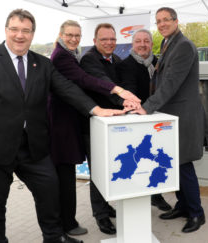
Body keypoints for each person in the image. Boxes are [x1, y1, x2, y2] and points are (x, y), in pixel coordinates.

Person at [0, 9, 125, 243]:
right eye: (15, 29)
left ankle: (54, 237)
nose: (20, 35)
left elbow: (67, 89)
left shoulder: (42, 63)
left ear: (32, 34)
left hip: (33, 148)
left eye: (26, 31)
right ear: (6, 31)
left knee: (49, 191)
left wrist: (96, 109)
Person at [48, 20, 140, 236]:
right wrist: (118, 91)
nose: (73, 39)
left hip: (83, 120)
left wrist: (127, 99)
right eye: (69, 35)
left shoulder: (73, 54)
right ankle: (70, 223)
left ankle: (70, 221)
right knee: (71, 175)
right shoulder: (65, 56)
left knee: (78, 173)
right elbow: (86, 80)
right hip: (65, 123)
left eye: (76, 35)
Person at [131, 7, 206, 233]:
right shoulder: (167, 44)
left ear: (176, 21)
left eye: (166, 20)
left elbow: (171, 83)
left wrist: (147, 108)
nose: (162, 24)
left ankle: (196, 213)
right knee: (175, 163)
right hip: (171, 116)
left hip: (182, 116)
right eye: (159, 21)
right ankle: (183, 206)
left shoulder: (183, 45)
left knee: (184, 165)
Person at [80, 23, 137, 235]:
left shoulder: (116, 60)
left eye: (112, 39)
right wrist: (124, 101)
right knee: (98, 172)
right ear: (95, 41)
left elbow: (125, 82)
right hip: (92, 126)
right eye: (104, 39)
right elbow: (101, 83)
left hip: (113, 127)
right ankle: (100, 215)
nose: (109, 43)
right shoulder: (89, 59)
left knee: (111, 169)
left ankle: (106, 206)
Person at [116, 28, 172, 212]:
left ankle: (156, 196)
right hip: (136, 121)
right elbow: (130, 91)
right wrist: (145, 107)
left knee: (156, 159)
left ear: (152, 44)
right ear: (132, 44)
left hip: (157, 119)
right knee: (137, 161)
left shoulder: (158, 63)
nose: (142, 45)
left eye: (146, 41)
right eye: (138, 41)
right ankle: (135, 198)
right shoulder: (125, 66)